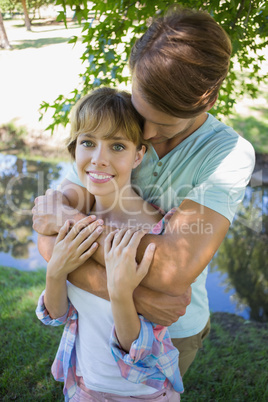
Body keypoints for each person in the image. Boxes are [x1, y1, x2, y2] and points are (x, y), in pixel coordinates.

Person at [32, 6, 255, 378]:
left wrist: (69, 227)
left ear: (207, 100)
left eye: (163, 122)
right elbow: (47, 233)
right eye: (141, 111)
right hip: (95, 314)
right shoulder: (118, 124)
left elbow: (170, 271)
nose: (146, 134)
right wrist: (139, 296)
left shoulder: (227, 155)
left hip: (171, 330)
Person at [36, 87, 184, 401]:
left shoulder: (156, 233)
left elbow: (139, 350)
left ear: (138, 155)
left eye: (117, 146)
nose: (99, 159)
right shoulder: (74, 218)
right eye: (88, 143)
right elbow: (59, 314)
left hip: (143, 391)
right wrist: (56, 272)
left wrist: (120, 293)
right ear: (74, 149)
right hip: (85, 384)